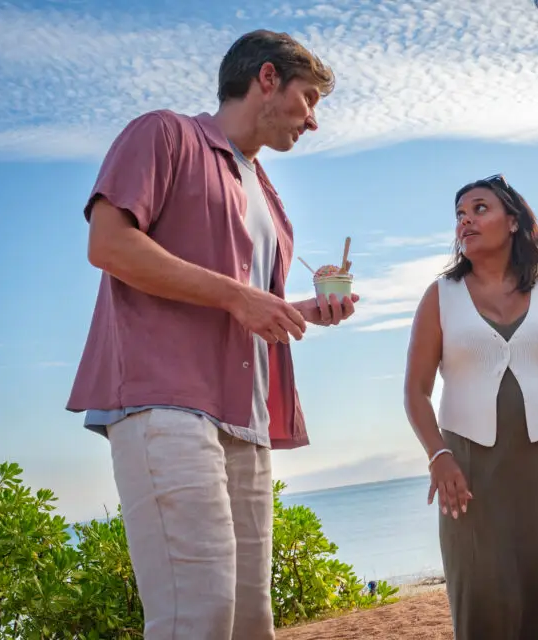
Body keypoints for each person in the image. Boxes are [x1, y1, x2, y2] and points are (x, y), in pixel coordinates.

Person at [65, 30, 359, 640]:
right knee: (195, 617)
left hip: (246, 419)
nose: (313, 119)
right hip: (163, 402)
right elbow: (109, 244)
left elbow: (241, 301)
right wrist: (239, 297)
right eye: (309, 98)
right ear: (268, 78)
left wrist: (297, 310)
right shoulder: (164, 133)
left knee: (251, 622)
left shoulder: (270, 199)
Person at [404, 174, 538, 639]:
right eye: (459, 214)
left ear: (512, 221)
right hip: (467, 476)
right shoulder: (440, 296)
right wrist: (438, 455)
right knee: (482, 604)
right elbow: (416, 391)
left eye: (479, 208)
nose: (465, 220)